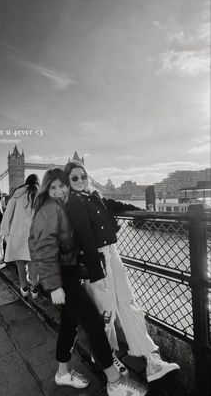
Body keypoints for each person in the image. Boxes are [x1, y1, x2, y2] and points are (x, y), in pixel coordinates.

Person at [29, 168, 147, 396]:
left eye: (61, 185)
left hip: (68, 271)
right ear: (45, 188)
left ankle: (62, 372)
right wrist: (54, 286)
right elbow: (44, 249)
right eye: (52, 187)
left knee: (69, 323)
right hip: (61, 274)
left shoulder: (61, 206)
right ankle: (114, 381)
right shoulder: (50, 209)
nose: (58, 190)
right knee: (93, 322)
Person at [63, 161, 180, 383]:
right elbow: (86, 239)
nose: (80, 181)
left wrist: (146, 212)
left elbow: (115, 204)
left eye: (83, 176)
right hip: (97, 258)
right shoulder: (73, 203)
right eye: (74, 178)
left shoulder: (94, 196)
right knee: (106, 312)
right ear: (68, 182)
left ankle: (152, 360)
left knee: (127, 301)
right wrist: (97, 276)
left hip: (112, 254)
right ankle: (105, 356)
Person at [0, 174, 40, 298]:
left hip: (17, 234)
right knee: (33, 261)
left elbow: (7, 215)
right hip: (34, 234)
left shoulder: (16, 195)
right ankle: (34, 288)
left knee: (20, 262)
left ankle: (23, 287)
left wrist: (5, 231)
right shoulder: (39, 195)